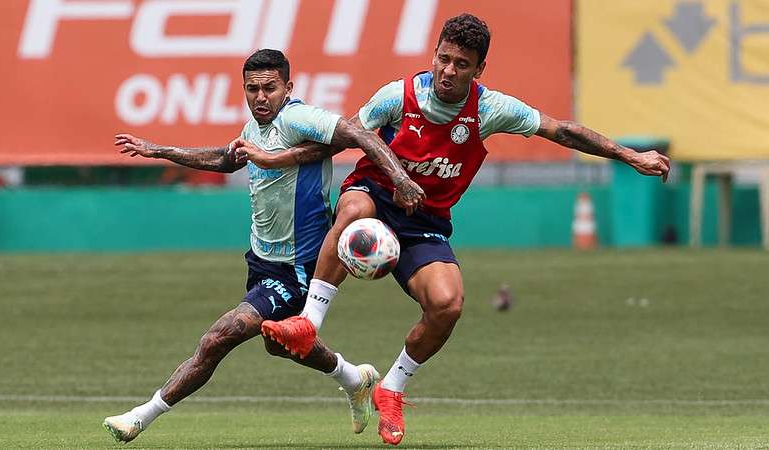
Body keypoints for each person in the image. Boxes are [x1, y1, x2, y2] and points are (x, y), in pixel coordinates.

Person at [249, 14, 671, 446]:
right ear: (434, 55)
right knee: (353, 208)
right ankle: (309, 322)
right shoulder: (399, 95)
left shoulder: (489, 110)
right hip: (376, 194)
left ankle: (391, 388)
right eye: (443, 59)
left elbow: (561, 130)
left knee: (448, 304)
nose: (449, 71)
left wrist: (630, 156)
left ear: (478, 70)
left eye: (461, 64)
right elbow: (342, 137)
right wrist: (272, 158)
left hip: (425, 223)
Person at [102, 49, 424, 443]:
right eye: (252, 89)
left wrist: (400, 179)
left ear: (287, 88)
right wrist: (160, 150)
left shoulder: (298, 118)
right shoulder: (255, 126)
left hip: (298, 268)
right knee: (279, 345)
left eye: (269, 88)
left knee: (218, 337)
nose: (260, 97)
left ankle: (141, 416)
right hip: (262, 261)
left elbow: (358, 133)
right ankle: (354, 378)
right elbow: (226, 159)